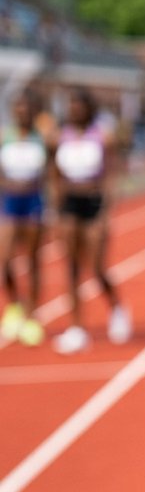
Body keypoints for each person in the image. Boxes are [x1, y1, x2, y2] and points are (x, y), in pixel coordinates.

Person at [51, 86, 132, 354]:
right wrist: (55, 209)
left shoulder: (102, 136)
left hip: (93, 203)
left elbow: (110, 176)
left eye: (79, 105)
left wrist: (106, 213)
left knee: (96, 267)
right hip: (69, 205)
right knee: (72, 267)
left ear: (88, 108)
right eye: (71, 105)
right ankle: (76, 327)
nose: (75, 109)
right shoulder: (59, 137)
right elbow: (54, 175)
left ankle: (117, 308)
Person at [1, 89, 48, 345]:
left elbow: (52, 173)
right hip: (9, 202)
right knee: (5, 259)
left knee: (32, 260)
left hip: (33, 203)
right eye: (18, 106)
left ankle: (31, 315)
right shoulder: (4, 136)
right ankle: (14, 304)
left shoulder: (43, 138)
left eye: (26, 106)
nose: (22, 110)